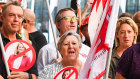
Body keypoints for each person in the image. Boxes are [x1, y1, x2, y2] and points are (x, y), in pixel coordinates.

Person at [37, 7, 90, 74]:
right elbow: (40, 76)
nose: (72, 21)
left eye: (74, 18)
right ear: (58, 24)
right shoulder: (47, 50)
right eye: (67, 18)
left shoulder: (88, 50)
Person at [0, 1, 37, 79]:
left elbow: (35, 75)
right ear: (2, 18)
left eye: (19, 16)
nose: (16, 20)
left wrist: (27, 76)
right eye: (11, 15)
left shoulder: (26, 45)